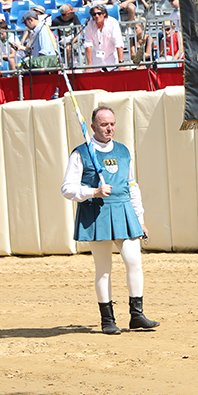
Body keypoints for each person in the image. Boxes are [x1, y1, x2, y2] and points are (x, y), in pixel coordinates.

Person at [61, 106, 157, 335]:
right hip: (97, 215)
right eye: (104, 124)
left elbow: (132, 186)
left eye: (112, 124)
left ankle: (137, 315)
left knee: (134, 262)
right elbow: (67, 188)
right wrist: (93, 192)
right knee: (103, 269)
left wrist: (139, 218)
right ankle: (107, 320)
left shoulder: (124, 152)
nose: (109, 128)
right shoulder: (81, 153)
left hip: (124, 212)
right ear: (93, 127)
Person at [21, 4, 60, 69]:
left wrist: (35, 65)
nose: (25, 25)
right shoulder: (37, 31)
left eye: (26, 23)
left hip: (46, 68)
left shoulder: (43, 30)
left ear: (31, 19)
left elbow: (44, 52)